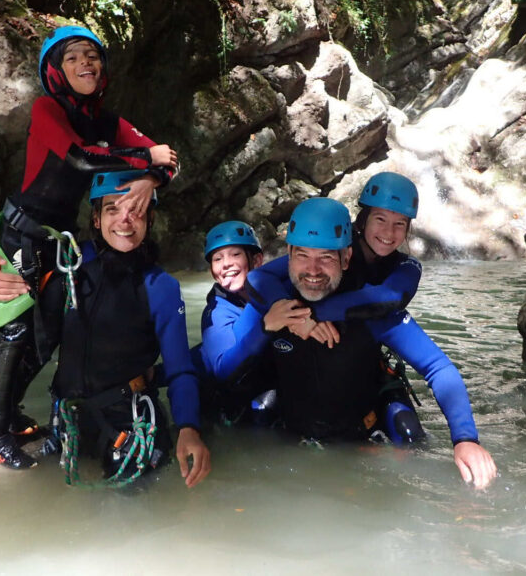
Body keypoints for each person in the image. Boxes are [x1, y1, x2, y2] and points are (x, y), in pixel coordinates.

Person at [0, 25, 179, 469]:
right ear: (55, 70)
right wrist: (146, 161)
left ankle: (9, 413)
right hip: (20, 232)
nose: (84, 63)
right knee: (15, 332)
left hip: (57, 239)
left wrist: (149, 177)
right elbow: (80, 158)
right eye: (72, 57)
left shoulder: (108, 122)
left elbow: (169, 158)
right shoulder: (47, 107)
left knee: (47, 333)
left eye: (91, 55)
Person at [215, 197, 498, 489]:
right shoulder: (271, 306)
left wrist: (466, 440)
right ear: (288, 254)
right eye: (302, 255)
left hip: (360, 439)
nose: (312, 270)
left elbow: (437, 367)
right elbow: (225, 373)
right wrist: (267, 327)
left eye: (326, 257)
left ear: (346, 258)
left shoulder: (369, 308)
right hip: (292, 436)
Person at [0, 171, 210, 487]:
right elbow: (17, 277)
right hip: (69, 416)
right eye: (112, 209)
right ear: (96, 218)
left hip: (130, 420)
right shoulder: (68, 264)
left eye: (136, 210)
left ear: (149, 220)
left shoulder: (161, 287)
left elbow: (179, 369)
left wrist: (189, 427)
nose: (125, 220)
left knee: (127, 510)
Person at [245, 172, 427, 443]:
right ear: (363, 216)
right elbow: (258, 278)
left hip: (359, 364)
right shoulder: (331, 247)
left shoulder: (405, 267)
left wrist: (313, 315)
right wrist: (292, 316)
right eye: (380, 219)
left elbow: (391, 298)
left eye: (399, 223)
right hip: (308, 360)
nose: (388, 233)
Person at [195, 221, 286, 426]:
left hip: (268, 381)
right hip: (233, 402)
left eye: (235, 254)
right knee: (266, 404)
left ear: (257, 260)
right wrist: (264, 326)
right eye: (218, 259)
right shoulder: (216, 312)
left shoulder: (274, 285)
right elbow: (224, 369)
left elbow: (300, 262)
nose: (226, 263)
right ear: (212, 271)